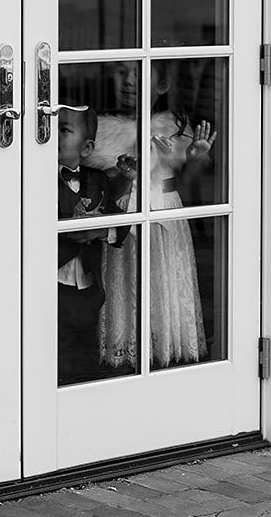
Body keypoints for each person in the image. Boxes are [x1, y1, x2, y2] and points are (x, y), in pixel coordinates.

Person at [85, 64, 214, 370]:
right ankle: (125, 346)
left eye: (139, 73)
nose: (129, 81)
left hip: (164, 211)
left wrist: (195, 157)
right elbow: (104, 187)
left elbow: (191, 182)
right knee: (126, 280)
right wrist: (124, 175)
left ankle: (167, 343)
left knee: (165, 278)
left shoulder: (174, 126)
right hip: (123, 214)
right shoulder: (102, 130)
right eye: (121, 72)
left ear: (163, 85)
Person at [55, 106, 122, 386]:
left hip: (89, 287)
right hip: (51, 286)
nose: (52, 134)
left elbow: (120, 221)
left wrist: (102, 229)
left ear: (86, 148)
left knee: (87, 355)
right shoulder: (34, 181)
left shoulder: (98, 180)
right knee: (54, 357)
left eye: (64, 129)